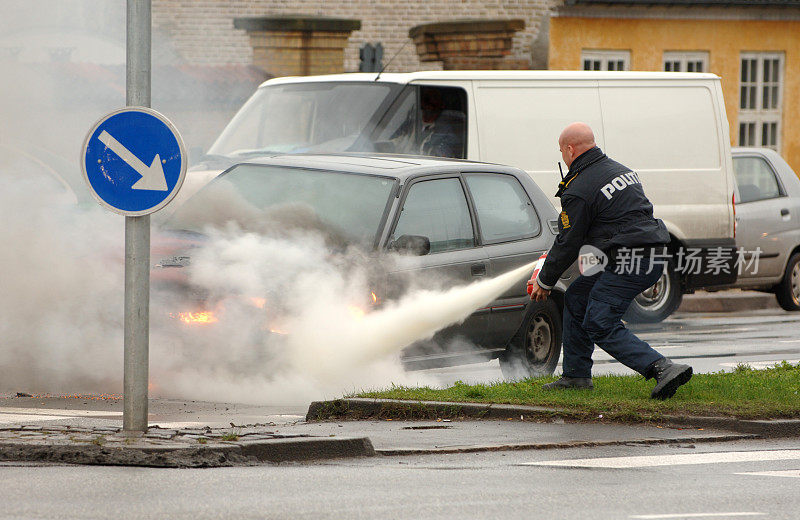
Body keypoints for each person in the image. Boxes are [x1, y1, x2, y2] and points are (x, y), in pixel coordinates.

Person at [529, 122, 692, 400]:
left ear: (569, 149)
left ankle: (661, 367)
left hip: (630, 259)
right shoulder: (620, 171)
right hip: (647, 255)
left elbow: (568, 241)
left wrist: (545, 280)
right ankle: (576, 376)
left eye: (562, 151)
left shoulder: (579, 187)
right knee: (578, 298)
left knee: (599, 321)